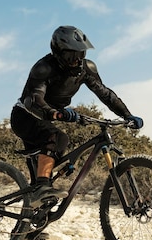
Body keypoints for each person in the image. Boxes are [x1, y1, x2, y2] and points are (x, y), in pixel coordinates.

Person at [11, 25, 144, 208]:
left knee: (46, 182)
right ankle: (41, 188)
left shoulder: (86, 69)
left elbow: (105, 94)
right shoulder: (44, 68)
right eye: (71, 56)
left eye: (81, 54)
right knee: (57, 138)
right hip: (25, 117)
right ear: (58, 53)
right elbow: (34, 100)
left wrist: (126, 114)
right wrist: (55, 113)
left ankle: (33, 223)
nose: (77, 60)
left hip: (48, 117)